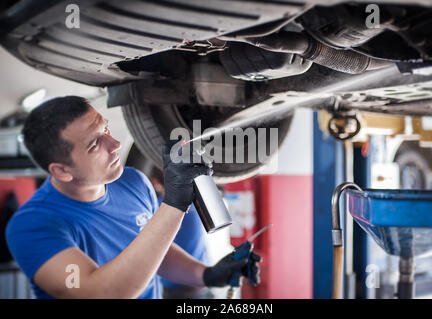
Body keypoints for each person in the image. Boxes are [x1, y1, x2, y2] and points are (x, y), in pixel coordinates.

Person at [5, 96, 261, 299]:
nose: (114, 143)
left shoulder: (132, 182)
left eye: (105, 128)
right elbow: (100, 293)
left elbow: (153, 249)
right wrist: (174, 204)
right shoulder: (32, 226)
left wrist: (206, 274)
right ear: (61, 170)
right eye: (95, 144)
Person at [148, 167, 212, 299]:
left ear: (155, 183)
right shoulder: (196, 201)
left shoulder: (155, 208)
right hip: (203, 279)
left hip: (174, 287)